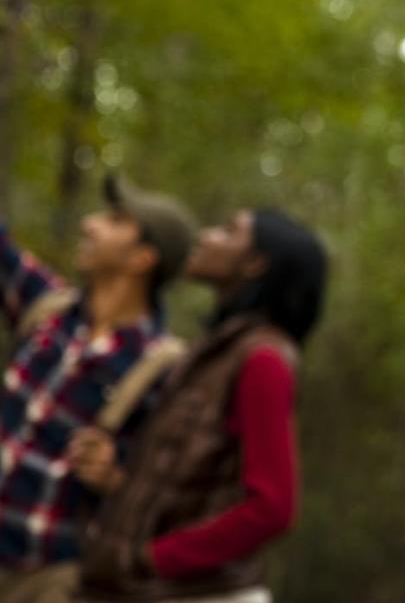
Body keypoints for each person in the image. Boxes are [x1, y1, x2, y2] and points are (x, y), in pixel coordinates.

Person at [67, 208, 328, 603]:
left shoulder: (264, 359)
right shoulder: (215, 350)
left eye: (228, 232)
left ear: (256, 264)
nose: (207, 236)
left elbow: (274, 507)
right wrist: (118, 483)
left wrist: (155, 558)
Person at [0, 175, 194, 603]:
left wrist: (116, 478)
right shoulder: (49, 309)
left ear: (142, 258)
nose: (90, 224)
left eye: (114, 220)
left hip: (49, 578)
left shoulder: (165, 369)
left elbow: (168, 496)